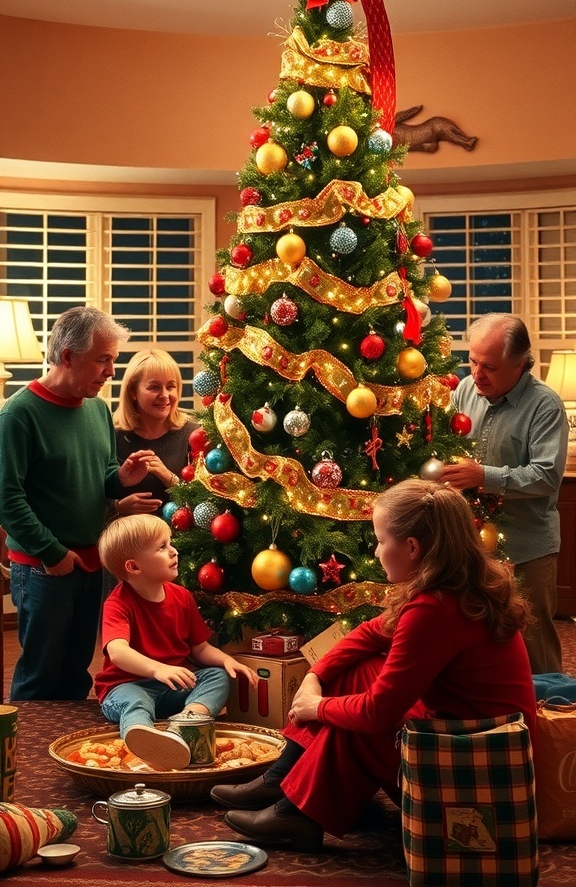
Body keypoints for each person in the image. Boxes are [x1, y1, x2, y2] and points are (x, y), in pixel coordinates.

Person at [209, 479, 537, 851]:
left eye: (381, 541)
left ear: (412, 547)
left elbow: (377, 713)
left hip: (479, 767)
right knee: (357, 671)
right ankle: (283, 780)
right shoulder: (458, 581)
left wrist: (317, 707)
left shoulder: (434, 609)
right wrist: (316, 675)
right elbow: (370, 632)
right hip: (482, 740)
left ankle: (296, 812)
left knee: (356, 721)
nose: (377, 551)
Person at [0, 306, 158, 701]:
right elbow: (6, 497)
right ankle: (27, 743)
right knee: (39, 678)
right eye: (103, 359)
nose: (111, 372)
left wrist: (122, 478)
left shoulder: (98, 409)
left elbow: (103, 475)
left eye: (113, 360)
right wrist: (51, 552)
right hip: (43, 567)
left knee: (76, 674)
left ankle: (69, 742)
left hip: (90, 562)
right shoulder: (18, 414)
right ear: (68, 356)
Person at [442, 313, 568, 674]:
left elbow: (546, 476)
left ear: (520, 364)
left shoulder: (545, 405)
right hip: (471, 546)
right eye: (472, 361)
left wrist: (483, 476)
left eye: (490, 367)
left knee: (533, 646)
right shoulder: (465, 391)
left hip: (526, 548)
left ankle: (550, 708)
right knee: (476, 643)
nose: (477, 374)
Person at [95, 513, 259, 770]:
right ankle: (144, 742)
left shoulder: (182, 597)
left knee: (217, 676)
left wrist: (227, 660)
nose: (174, 551)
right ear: (134, 567)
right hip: (126, 687)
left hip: (171, 688)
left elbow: (200, 648)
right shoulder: (118, 604)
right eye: (162, 547)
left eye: (170, 543)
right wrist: (157, 669)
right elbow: (117, 652)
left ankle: (183, 724)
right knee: (136, 701)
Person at [112, 349, 198, 517]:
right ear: (133, 392)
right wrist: (118, 507)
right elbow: (90, 494)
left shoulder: (193, 435)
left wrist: (170, 479)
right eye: (154, 387)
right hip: (125, 532)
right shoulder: (111, 434)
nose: (165, 395)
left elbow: (206, 501)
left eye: (171, 386)